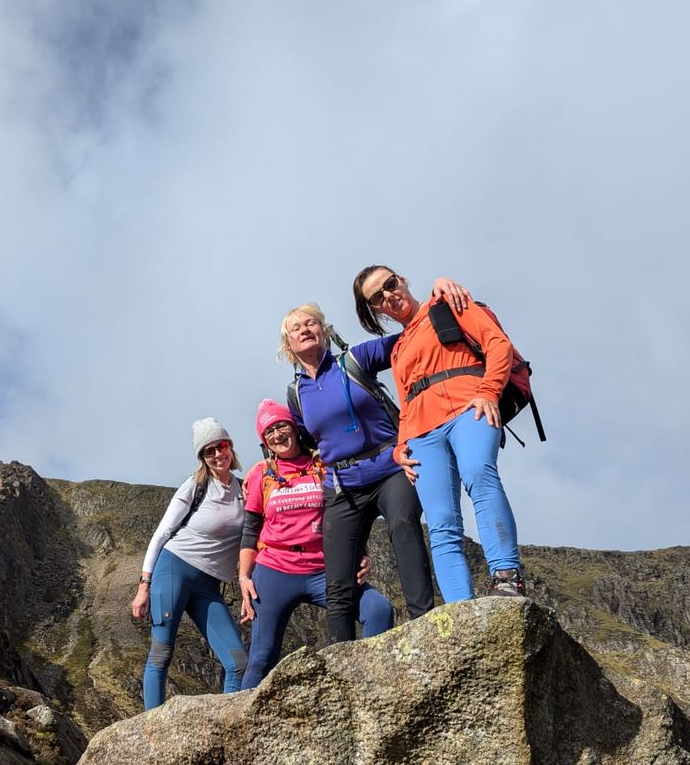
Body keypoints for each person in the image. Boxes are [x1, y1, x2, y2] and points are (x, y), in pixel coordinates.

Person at [281, 282, 470, 642]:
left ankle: (424, 628)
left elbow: (408, 334)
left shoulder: (355, 360)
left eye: (311, 323)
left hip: (390, 466)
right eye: (296, 328)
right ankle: (339, 660)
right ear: (288, 345)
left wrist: (439, 297)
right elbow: (310, 441)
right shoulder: (296, 395)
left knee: (403, 525)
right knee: (339, 577)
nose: (305, 330)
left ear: (324, 331)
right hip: (343, 486)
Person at [352, 265, 524, 601]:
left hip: (469, 407)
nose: (389, 295)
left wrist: (489, 391)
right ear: (376, 309)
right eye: (378, 296)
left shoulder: (447, 303)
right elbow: (405, 398)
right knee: (441, 520)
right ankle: (460, 607)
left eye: (390, 284)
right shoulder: (398, 348)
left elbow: (497, 344)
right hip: (421, 433)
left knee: (479, 475)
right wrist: (401, 444)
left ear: (402, 279)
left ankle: (505, 578)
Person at [238, 399, 394, 688]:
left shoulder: (323, 464)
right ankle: (240, 728)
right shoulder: (261, 474)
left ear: (295, 428)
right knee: (261, 656)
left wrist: (363, 553)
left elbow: (350, 512)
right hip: (275, 570)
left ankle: (365, 690)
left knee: (378, 610)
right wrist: (244, 577)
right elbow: (251, 529)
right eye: (268, 431)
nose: (277, 434)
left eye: (281, 425)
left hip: (326, 568)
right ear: (264, 440)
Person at [131, 418, 249, 710]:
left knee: (238, 662)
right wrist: (143, 585)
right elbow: (161, 534)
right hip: (174, 569)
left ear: (230, 446)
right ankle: (151, 730)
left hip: (209, 585)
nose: (217, 454)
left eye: (221, 446)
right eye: (208, 452)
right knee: (161, 654)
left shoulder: (245, 491)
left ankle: (227, 726)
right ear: (202, 458)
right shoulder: (195, 486)